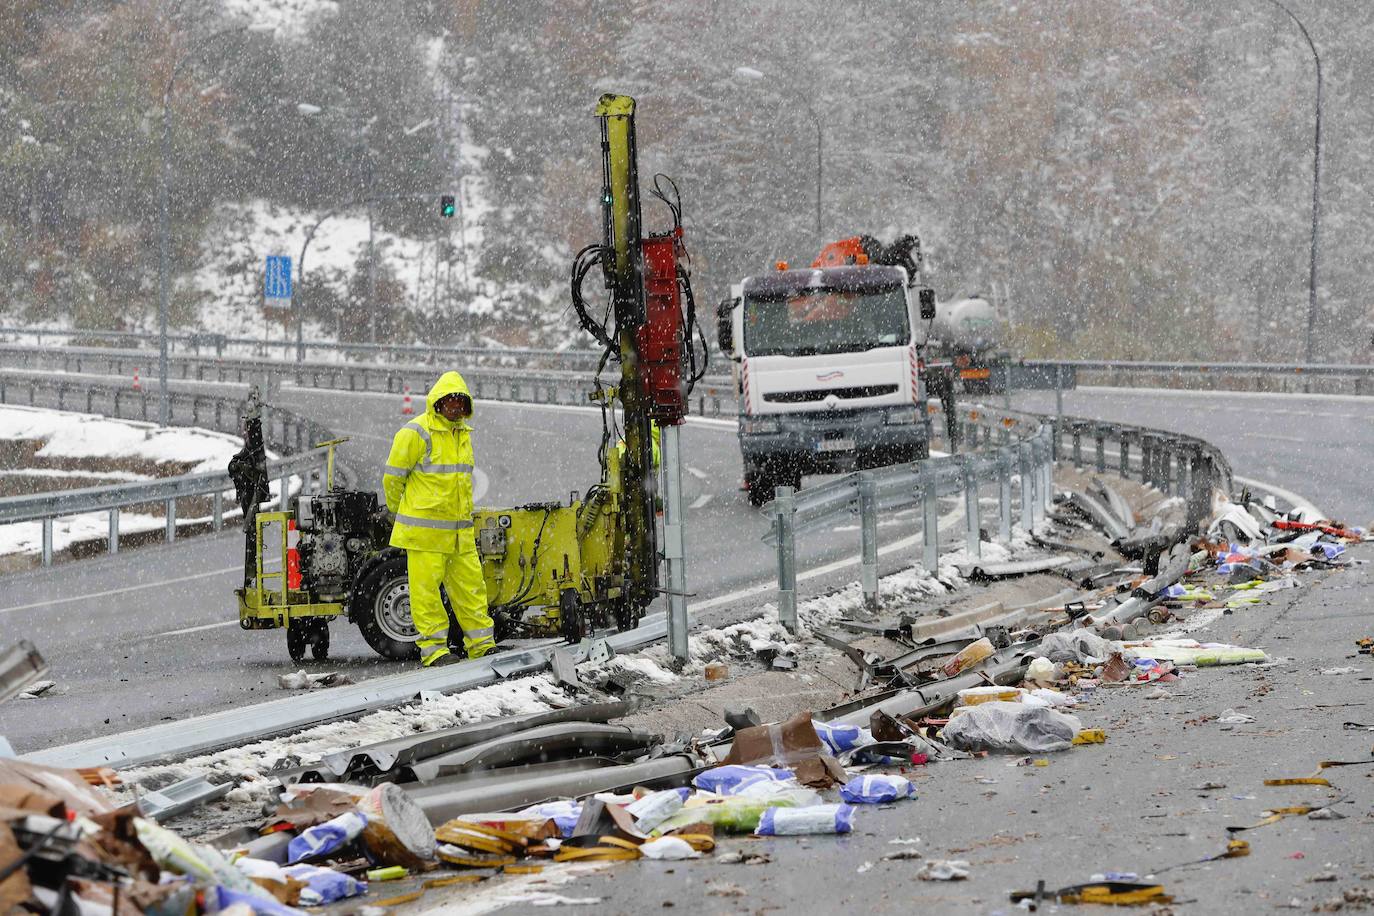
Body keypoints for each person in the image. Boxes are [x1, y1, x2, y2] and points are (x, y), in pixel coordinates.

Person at [382, 371, 496, 666]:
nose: (456, 407)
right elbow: (393, 479)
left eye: (461, 402)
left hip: (460, 534)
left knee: (471, 589)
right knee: (426, 594)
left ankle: (482, 645)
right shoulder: (416, 432)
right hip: (425, 535)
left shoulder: (463, 435)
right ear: (438, 402)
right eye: (451, 401)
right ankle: (434, 651)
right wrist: (406, 514)